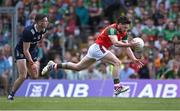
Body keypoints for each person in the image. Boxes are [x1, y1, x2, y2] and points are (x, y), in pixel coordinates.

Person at [42, 16, 143, 96]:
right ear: (119, 24)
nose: (126, 29)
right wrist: (130, 44)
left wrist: (133, 58)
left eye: (127, 28)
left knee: (78, 67)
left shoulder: (123, 32)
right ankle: (117, 87)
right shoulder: (112, 29)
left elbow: (126, 47)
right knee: (117, 62)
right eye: (125, 27)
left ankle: (54, 65)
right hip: (98, 48)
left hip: (96, 49)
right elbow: (116, 43)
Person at [8, 14, 49, 100]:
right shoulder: (28, 31)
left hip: (32, 51)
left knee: (34, 76)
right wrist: (32, 63)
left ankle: (28, 68)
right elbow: (25, 50)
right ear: (38, 22)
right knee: (23, 75)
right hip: (21, 51)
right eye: (44, 21)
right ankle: (11, 95)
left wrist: (34, 55)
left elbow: (37, 40)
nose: (46, 22)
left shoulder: (44, 30)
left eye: (46, 21)